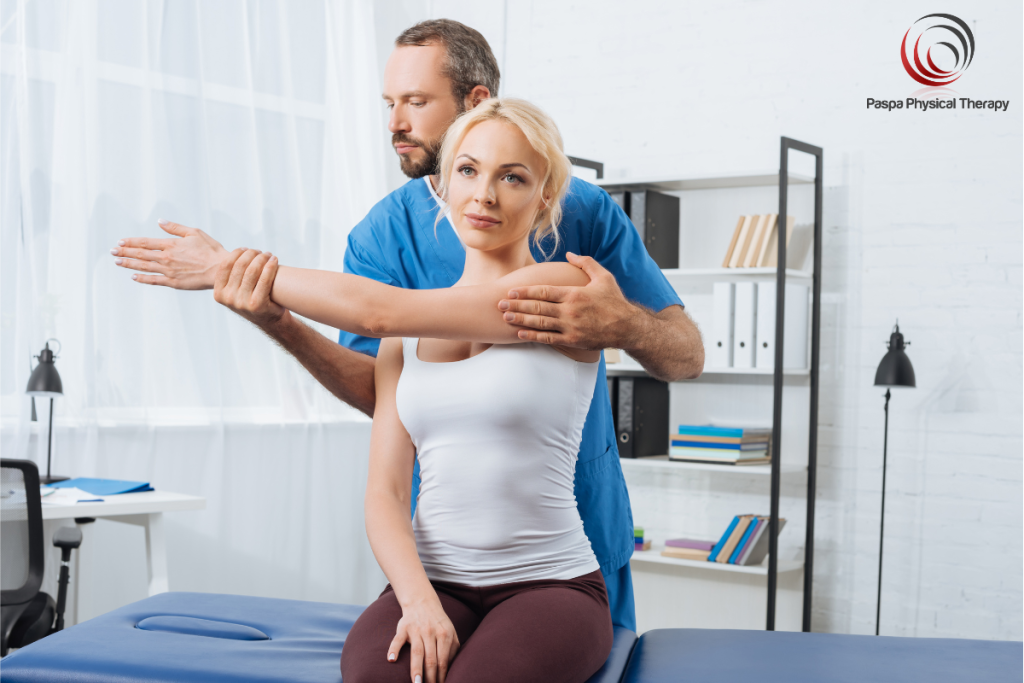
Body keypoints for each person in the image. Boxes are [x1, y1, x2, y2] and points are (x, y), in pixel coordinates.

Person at [110, 19, 704, 634]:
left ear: (476, 101)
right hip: (446, 556)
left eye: (416, 102)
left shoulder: (578, 211)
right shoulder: (381, 235)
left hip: (576, 534)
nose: (395, 122)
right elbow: (385, 392)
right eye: (388, 103)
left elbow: (686, 356)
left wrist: (624, 326)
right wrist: (277, 320)